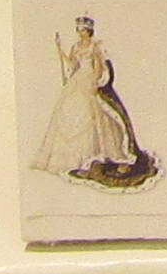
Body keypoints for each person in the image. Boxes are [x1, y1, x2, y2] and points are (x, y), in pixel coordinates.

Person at [38, 15, 159, 189]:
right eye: (79, 30)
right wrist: (60, 50)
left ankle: (95, 155)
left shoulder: (95, 46)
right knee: (70, 111)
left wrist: (95, 83)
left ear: (89, 31)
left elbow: (98, 66)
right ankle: (72, 159)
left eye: (83, 30)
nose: (81, 33)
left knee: (93, 115)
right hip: (77, 80)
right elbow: (72, 64)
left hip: (89, 80)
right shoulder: (76, 46)